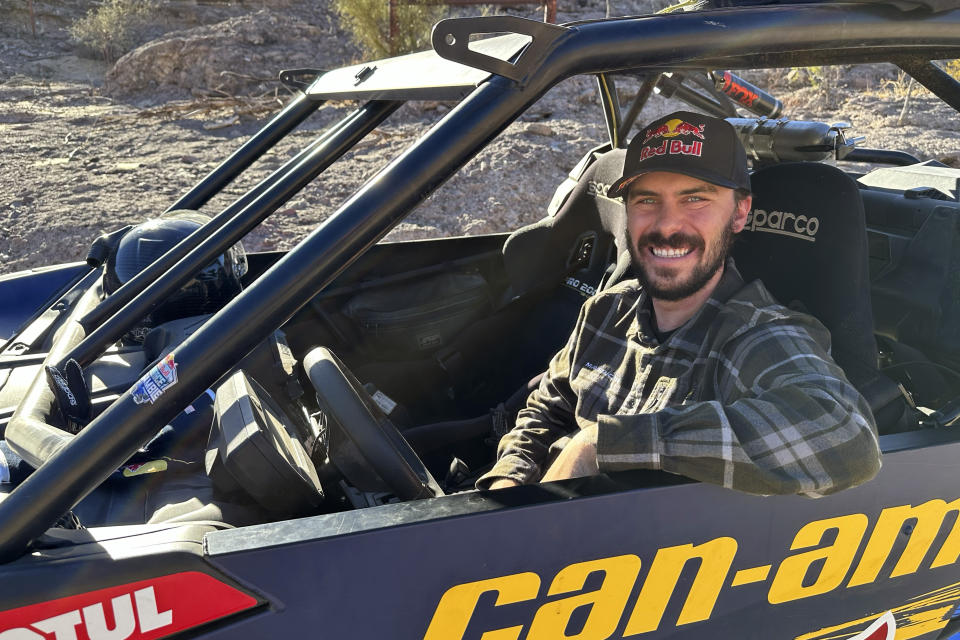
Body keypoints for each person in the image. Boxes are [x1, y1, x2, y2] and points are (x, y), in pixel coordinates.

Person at [477, 110, 881, 496]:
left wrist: (602, 445)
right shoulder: (605, 311)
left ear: (740, 213)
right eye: (647, 200)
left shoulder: (755, 336)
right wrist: (510, 482)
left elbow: (847, 435)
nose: (667, 225)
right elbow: (547, 408)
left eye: (695, 199)